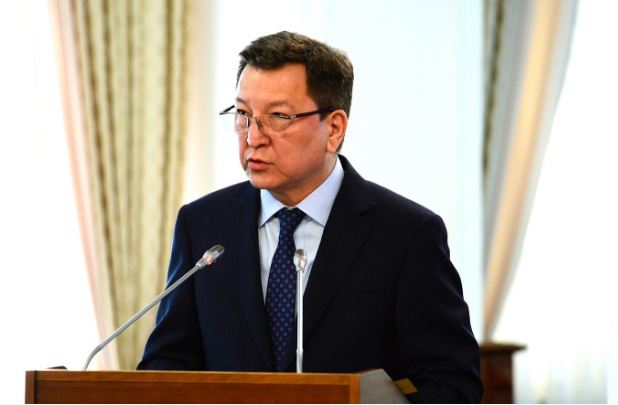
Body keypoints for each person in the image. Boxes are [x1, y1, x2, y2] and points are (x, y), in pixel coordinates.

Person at [138, 31, 483, 403]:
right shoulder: (202, 224)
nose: (253, 137)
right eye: (243, 115)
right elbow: (166, 365)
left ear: (334, 128)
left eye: (278, 116)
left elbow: (453, 385)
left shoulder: (406, 235)